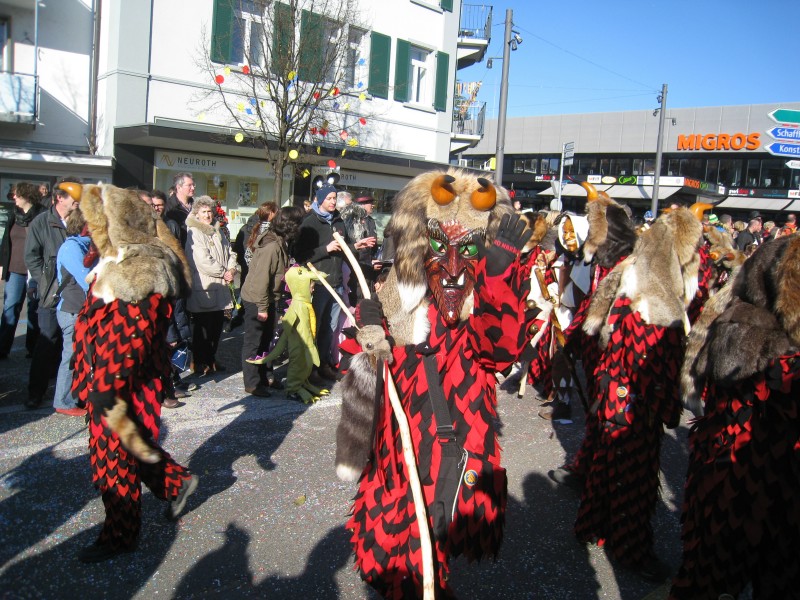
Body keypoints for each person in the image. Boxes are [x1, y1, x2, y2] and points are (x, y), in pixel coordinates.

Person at [334, 169, 532, 598]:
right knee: (394, 527)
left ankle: (427, 584)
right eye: (442, 246)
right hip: (397, 437)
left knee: (434, 522)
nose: (455, 267)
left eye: (470, 249)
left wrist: (499, 274)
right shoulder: (403, 297)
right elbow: (369, 356)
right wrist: (370, 331)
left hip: (450, 439)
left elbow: (499, 352)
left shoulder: (480, 309)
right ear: (422, 245)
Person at [68, 182, 198, 563]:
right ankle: (178, 484)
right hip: (106, 379)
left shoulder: (141, 270)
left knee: (114, 459)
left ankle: (120, 535)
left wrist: (107, 388)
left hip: (122, 384)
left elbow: (133, 339)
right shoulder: (115, 261)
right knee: (131, 446)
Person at [295, 184, 375, 382]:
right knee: (315, 325)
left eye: (334, 198)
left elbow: (343, 248)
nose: (333, 202)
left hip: (336, 281)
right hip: (320, 282)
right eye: (329, 198)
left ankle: (324, 363)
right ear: (320, 199)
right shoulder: (309, 222)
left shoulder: (338, 220)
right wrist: (325, 249)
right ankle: (309, 367)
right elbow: (300, 255)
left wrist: (356, 246)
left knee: (330, 327)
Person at [24, 179, 80, 408]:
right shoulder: (41, 222)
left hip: (74, 292)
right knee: (47, 339)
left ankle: (65, 390)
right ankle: (35, 391)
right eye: (74, 200)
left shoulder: (80, 219)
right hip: (51, 292)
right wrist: (45, 281)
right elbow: (31, 256)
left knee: (70, 345)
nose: (78, 204)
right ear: (59, 198)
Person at [240, 206, 303, 396]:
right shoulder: (271, 246)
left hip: (269, 298)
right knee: (254, 342)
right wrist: (261, 308)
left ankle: (266, 376)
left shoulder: (280, 242)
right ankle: (252, 383)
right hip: (257, 299)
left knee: (267, 341)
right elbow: (260, 279)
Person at [184, 195, 239, 377]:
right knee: (203, 329)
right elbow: (202, 261)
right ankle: (199, 361)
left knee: (216, 326)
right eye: (204, 212)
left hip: (220, 285)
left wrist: (231, 268)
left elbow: (230, 251)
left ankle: (211, 358)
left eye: (209, 211)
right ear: (197, 214)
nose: (208, 215)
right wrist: (223, 272)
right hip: (205, 286)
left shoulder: (217, 230)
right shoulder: (194, 232)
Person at [52, 207, 94, 416]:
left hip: (83, 310)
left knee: (82, 356)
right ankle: (63, 401)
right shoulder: (71, 248)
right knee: (70, 356)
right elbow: (87, 279)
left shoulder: (86, 245)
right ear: (84, 225)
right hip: (71, 310)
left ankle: (78, 396)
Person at [0, 182, 46, 360]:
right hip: (14, 268)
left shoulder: (41, 215)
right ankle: (3, 347)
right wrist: (2, 264)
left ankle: (32, 348)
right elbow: (6, 241)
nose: (14, 198)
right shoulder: (14, 214)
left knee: (33, 308)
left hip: (33, 270)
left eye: (17, 195)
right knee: (10, 307)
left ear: (27, 196)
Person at [165, 172, 195, 247]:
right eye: (189, 185)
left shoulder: (196, 206)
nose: (193, 188)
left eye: (193, 185)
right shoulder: (169, 207)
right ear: (179, 187)